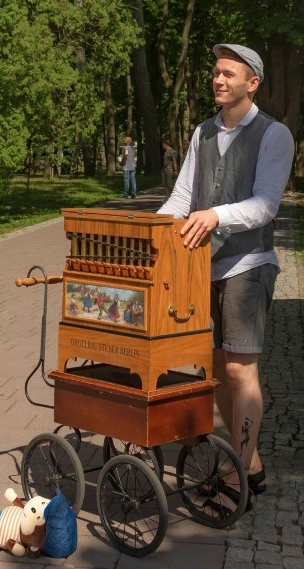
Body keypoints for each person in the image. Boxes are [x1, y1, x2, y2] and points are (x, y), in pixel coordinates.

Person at [158, 44, 294, 506]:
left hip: (248, 265)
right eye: (215, 73)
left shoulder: (275, 135)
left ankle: (235, 480)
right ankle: (249, 464)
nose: (218, 80)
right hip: (202, 267)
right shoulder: (202, 132)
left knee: (239, 368)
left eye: (228, 74)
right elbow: (181, 198)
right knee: (213, 368)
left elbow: (266, 205)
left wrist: (215, 215)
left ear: (251, 83)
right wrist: (152, 232)